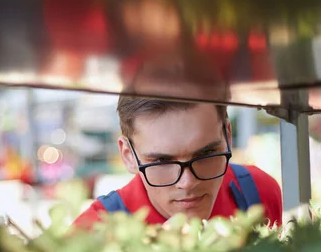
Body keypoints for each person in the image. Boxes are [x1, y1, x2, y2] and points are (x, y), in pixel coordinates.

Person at [73, 49, 283, 229]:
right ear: (128, 156)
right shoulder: (92, 233)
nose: (187, 182)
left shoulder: (258, 193)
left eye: (206, 154)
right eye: (161, 161)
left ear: (227, 136)